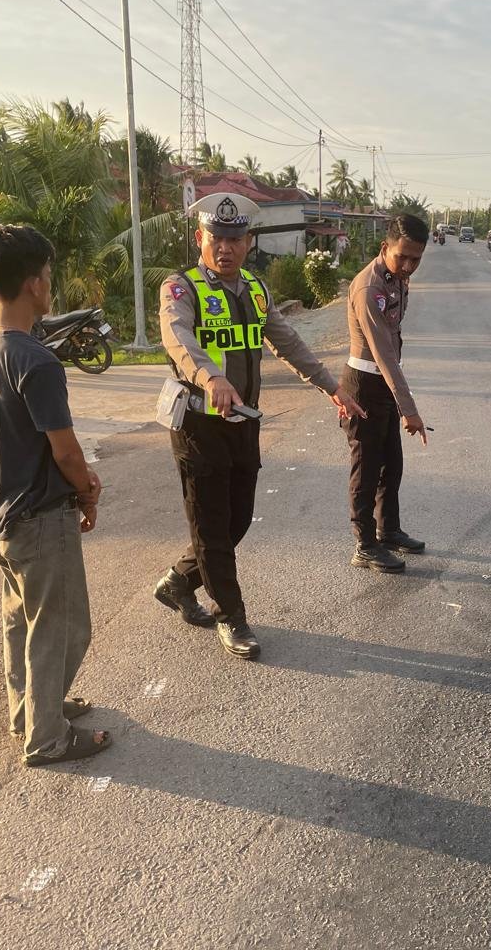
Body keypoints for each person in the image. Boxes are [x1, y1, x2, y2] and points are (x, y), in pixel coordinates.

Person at [154, 193, 365, 659]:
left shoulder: (254, 289)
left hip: (243, 421)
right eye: (216, 238)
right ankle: (232, 617)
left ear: (248, 242)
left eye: (234, 239)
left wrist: (331, 386)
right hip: (197, 423)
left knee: (237, 521)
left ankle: (177, 582)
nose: (224, 247)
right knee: (211, 527)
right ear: (200, 239)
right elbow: (178, 336)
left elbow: (287, 340)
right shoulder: (180, 288)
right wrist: (211, 377)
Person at [0, 224, 110, 767]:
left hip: (2, 514)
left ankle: (30, 710)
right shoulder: (37, 362)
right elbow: (67, 454)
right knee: (64, 627)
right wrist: (88, 492)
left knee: (20, 620)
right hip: (40, 515)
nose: (51, 283)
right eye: (47, 274)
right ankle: (47, 736)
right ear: (32, 284)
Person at [342, 213, 430, 574]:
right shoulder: (370, 288)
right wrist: (409, 408)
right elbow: (382, 352)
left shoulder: (397, 280)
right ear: (384, 247)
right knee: (366, 467)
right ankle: (364, 545)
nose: (408, 265)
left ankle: (388, 530)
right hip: (364, 385)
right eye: (402, 256)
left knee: (391, 464)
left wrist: (398, 401)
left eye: (416, 258)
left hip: (383, 384)